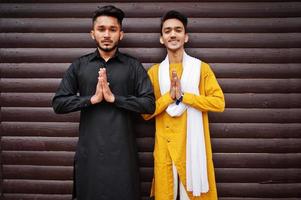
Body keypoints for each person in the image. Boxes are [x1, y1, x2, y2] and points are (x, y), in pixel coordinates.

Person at [52, 5, 155, 200]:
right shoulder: (79, 65)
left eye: (112, 29)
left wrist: (115, 99)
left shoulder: (133, 66)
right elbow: (59, 103)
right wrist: (91, 99)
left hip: (123, 155)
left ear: (121, 34)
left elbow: (149, 104)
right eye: (101, 29)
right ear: (93, 34)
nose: (107, 34)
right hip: (90, 154)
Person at [143, 10, 225, 200]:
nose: (173, 34)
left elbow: (219, 103)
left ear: (185, 37)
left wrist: (184, 97)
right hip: (166, 150)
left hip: (193, 150)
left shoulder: (201, 69)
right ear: (161, 38)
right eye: (168, 30)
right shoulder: (154, 73)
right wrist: (169, 98)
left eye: (178, 30)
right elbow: (145, 113)